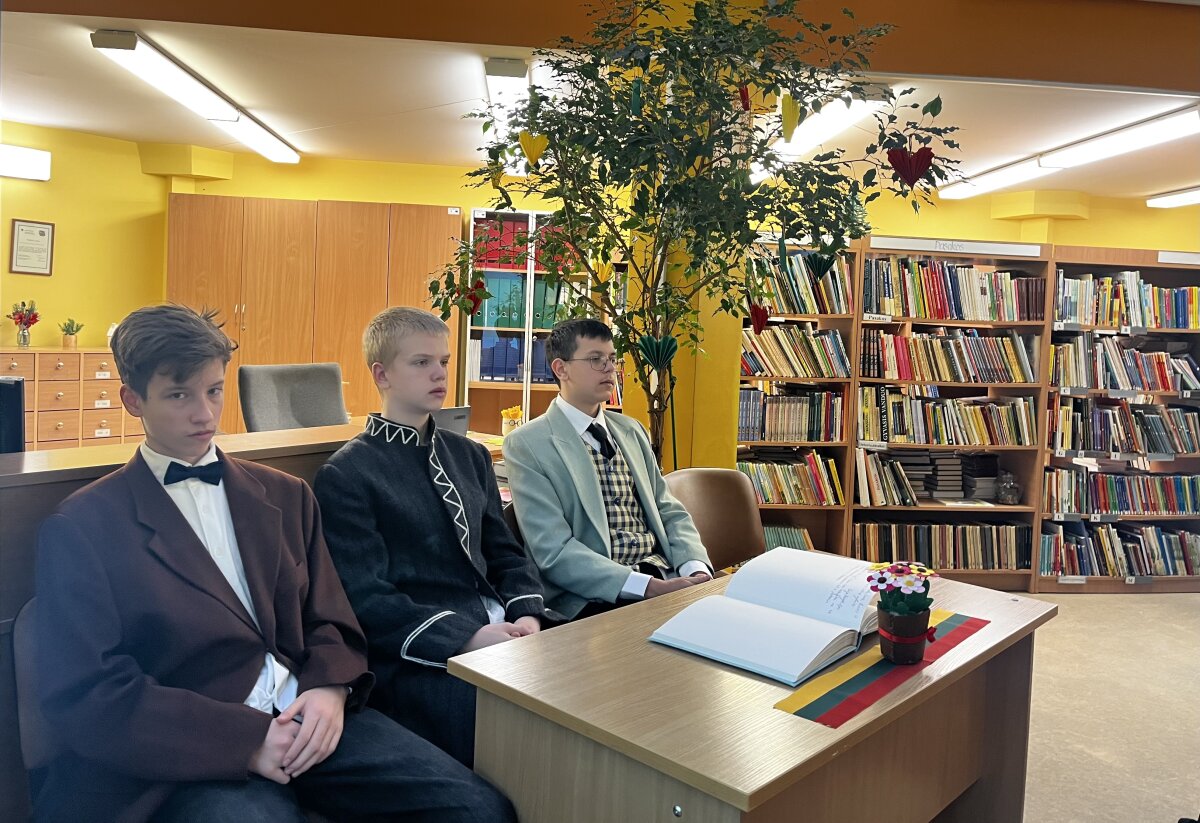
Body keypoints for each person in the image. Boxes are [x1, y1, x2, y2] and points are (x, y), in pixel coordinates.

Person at [33, 304, 515, 823]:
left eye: (214, 390)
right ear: (133, 399)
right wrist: (247, 740)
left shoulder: (286, 495)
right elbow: (90, 691)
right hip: (198, 749)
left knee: (480, 810)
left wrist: (330, 688)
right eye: (179, 395)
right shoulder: (82, 525)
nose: (205, 414)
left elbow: (332, 618)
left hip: (311, 714)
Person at [314, 307, 545, 767]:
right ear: (382, 375)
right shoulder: (347, 474)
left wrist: (528, 615)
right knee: (526, 733)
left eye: (443, 361)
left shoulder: (470, 455)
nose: (439, 373)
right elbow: (366, 598)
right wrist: (467, 638)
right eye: (421, 362)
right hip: (424, 657)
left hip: (513, 634)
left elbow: (506, 554)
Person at [503, 318, 713, 620]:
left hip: (665, 574)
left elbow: (668, 510)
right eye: (595, 359)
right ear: (561, 369)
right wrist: (646, 587)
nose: (610, 369)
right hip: (594, 597)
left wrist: (695, 569)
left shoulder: (632, 430)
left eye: (612, 359)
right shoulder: (527, 444)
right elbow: (553, 550)